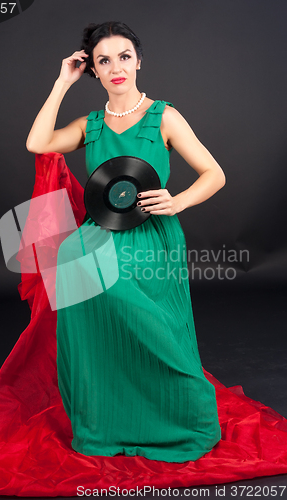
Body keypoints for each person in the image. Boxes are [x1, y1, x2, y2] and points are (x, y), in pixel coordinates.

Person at [26, 21, 226, 462]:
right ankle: (104, 428)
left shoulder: (164, 117)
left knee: (160, 336)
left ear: (138, 61)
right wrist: (62, 84)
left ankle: (179, 422)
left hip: (152, 238)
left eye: (124, 56)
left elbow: (215, 174)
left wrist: (179, 202)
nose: (116, 67)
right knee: (95, 336)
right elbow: (37, 142)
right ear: (93, 71)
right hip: (94, 242)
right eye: (103, 60)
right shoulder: (90, 125)